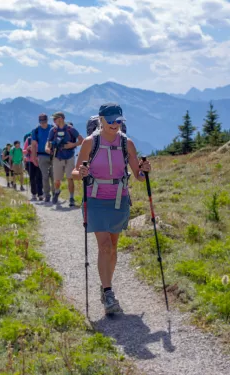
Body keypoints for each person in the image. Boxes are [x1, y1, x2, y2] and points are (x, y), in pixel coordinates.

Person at [72, 102, 151, 315]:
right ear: (101, 120)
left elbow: (138, 176)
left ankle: (105, 285)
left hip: (119, 200)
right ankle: (108, 293)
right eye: (111, 120)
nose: (115, 124)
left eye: (119, 121)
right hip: (96, 199)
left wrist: (144, 171)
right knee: (105, 246)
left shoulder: (128, 144)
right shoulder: (90, 143)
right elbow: (74, 172)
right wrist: (82, 173)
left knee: (114, 247)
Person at [46, 112, 84, 206]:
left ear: (61, 119)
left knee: (70, 178)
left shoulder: (71, 129)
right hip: (57, 157)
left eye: (55, 119)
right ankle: (57, 192)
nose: (53, 121)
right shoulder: (53, 130)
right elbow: (49, 142)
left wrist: (73, 145)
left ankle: (71, 198)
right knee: (57, 180)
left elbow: (81, 140)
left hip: (69, 157)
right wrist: (47, 148)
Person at [31, 113, 53, 202]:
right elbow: (33, 145)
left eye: (44, 121)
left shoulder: (52, 129)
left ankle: (55, 192)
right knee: (45, 176)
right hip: (41, 155)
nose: (43, 123)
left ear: (47, 120)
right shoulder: (35, 130)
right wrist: (33, 157)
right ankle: (47, 194)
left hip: (53, 155)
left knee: (54, 175)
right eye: (41, 122)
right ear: (39, 121)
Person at [24, 131, 43, 200]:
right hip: (30, 161)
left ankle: (40, 193)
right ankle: (34, 193)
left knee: (39, 177)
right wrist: (27, 149)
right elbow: (24, 151)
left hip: (39, 161)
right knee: (32, 178)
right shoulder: (28, 140)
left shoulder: (41, 140)